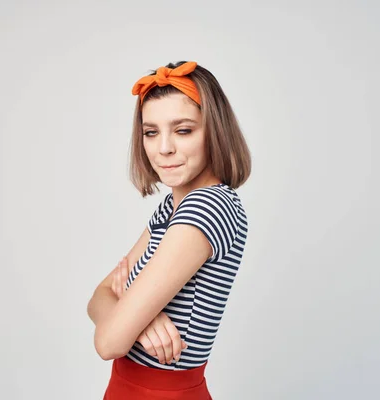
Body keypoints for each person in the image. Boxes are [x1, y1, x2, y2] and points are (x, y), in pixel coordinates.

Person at [87, 60, 251, 399]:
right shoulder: (171, 207)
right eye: (151, 132)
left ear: (214, 131)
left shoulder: (208, 206)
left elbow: (108, 342)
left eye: (183, 130)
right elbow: (98, 297)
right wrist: (142, 317)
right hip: (125, 388)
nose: (164, 148)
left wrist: (130, 312)